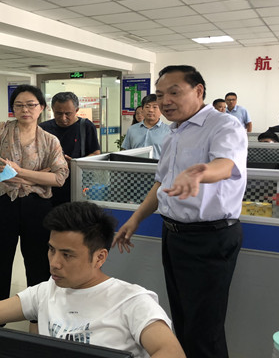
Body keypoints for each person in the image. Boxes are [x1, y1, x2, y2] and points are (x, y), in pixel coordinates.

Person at [114, 65, 247, 358]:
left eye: (174, 93)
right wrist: (135, 219)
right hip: (174, 234)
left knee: (204, 330)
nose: (165, 102)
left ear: (198, 91)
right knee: (183, 319)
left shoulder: (223, 125)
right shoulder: (173, 133)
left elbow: (226, 165)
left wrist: (200, 173)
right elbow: (161, 183)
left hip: (209, 238)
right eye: (160, 95)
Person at [0, 201, 185, 358]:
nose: (54, 263)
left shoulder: (132, 300)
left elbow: (171, 351)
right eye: (51, 250)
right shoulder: (45, 292)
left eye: (67, 255)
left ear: (99, 257)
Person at [0, 84, 69, 303]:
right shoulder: (0, 130)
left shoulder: (50, 140)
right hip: (2, 204)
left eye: (30, 105)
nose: (25, 110)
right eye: (18, 105)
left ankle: (38, 312)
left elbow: (59, 177)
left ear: (41, 108)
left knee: (38, 262)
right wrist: (38, 175)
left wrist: (20, 173)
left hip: (36, 206)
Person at [40, 91, 100, 206]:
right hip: (49, 185)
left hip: (76, 183)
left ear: (77, 110)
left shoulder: (86, 126)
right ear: (52, 110)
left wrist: (75, 163)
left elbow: (95, 153)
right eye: (58, 113)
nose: (63, 118)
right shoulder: (43, 128)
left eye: (68, 113)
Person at [121, 94, 170, 159]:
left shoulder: (169, 131)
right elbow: (125, 152)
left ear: (161, 110)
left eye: (155, 107)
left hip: (157, 165)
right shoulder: (132, 129)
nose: (151, 110)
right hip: (135, 165)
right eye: (147, 107)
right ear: (142, 110)